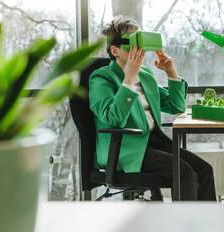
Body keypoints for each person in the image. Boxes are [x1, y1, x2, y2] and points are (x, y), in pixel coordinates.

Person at [89, 15, 216, 201]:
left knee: (205, 170)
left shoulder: (145, 75)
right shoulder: (101, 78)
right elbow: (113, 118)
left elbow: (176, 106)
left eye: (140, 40)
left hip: (153, 142)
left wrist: (171, 72)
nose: (139, 48)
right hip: (125, 148)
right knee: (185, 173)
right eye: (133, 42)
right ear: (115, 50)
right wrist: (129, 78)